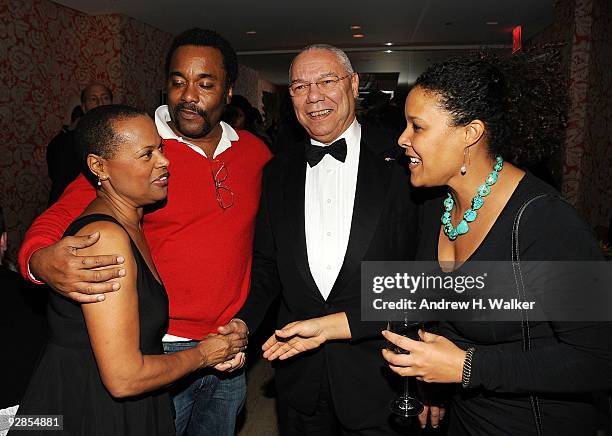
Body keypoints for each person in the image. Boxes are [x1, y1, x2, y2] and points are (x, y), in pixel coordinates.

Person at [18, 28, 271, 435]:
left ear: (227, 93)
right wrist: (37, 259)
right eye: (177, 81)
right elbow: (59, 214)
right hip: (156, 349)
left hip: (228, 347)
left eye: (205, 84)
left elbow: (263, 250)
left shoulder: (256, 154)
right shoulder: (134, 151)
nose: (188, 95)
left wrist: (244, 324)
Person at [379, 53, 612, 435]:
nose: (402, 139)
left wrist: (469, 368)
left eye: (417, 127)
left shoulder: (545, 221)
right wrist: (434, 380)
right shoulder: (438, 203)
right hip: (466, 419)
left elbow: (600, 358)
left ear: (469, 134)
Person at [228, 44, 422, 434]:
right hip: (300, 380)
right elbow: (267, 264)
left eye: (326, 81)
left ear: (353, 84)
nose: (313, 96)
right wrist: (243, 323)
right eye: (299, 86)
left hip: (382, 373)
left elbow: (426, 270)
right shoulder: (276, 172)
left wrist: (430, 385)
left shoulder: (405, 160)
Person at [47, 84, 113, 205]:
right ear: (83, 107)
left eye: (105, 98)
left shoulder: (122, 135)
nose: (100, 102)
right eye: (93, 99)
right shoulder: (66, 142)